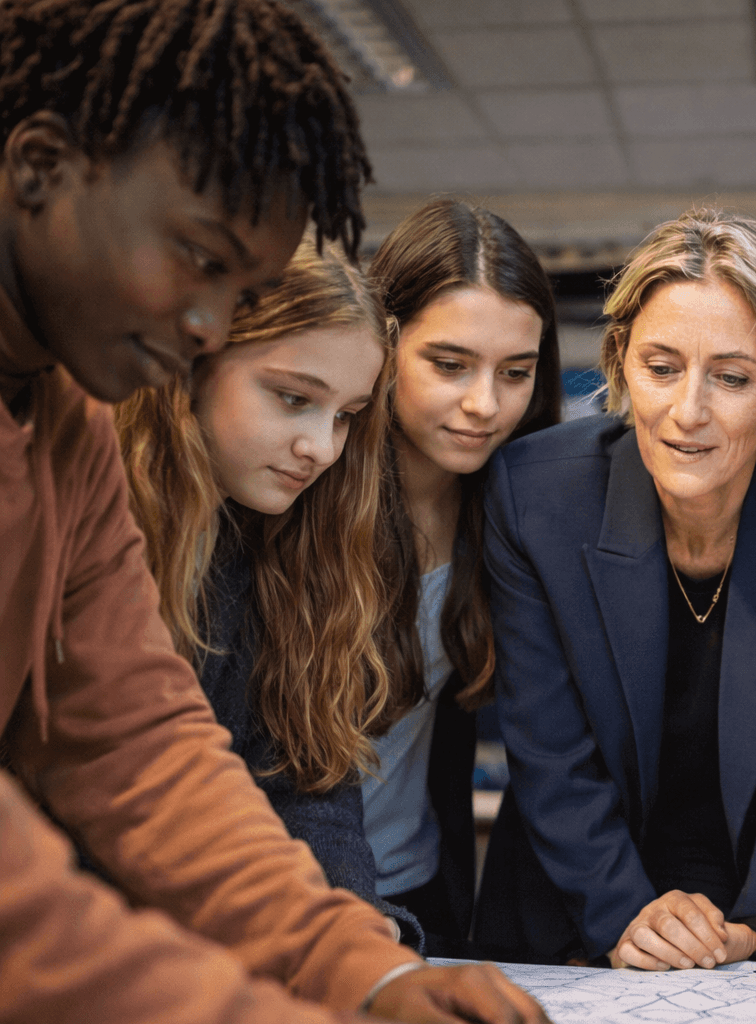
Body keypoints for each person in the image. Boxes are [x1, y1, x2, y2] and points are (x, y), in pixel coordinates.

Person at [0, 0, 545, 1020]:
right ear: (37, 168)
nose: (209, 325)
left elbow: (139, 746)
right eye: (200, 258)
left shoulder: (65, 421)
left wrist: (365, 970)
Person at [474, 208, 756, 970]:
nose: (688, 412)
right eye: (661, 368)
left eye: (731, 377)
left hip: (749, 922)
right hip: (571, 912)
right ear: (620, 361)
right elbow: (548, 748)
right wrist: (624, 914)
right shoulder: (535, 496)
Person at [114, 242, 423, 943]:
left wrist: (356, 930)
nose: (322, 447)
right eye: (293, 399)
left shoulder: (283, 546)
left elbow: (305, 782)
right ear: (192, 368)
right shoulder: (84, 526)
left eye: (346, 415)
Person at [366, 198, 563, 954]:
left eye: (514, 373)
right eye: (449, 366)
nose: (484, 405)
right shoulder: (301, 505)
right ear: (382, 347)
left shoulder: (509, 513)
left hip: (417, 892)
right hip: (284, 890)